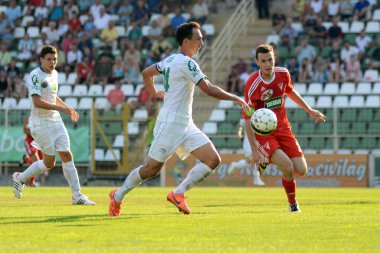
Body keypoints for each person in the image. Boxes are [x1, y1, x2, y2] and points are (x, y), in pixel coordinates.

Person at [108, 22, 249, 216]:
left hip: (186, 123)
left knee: (212, 159)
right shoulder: (186, 62)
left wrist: (155, 92)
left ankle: (178, 193)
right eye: (198, 39)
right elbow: (208, 88)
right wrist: (235, 98)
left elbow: (146, 73)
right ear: (186, 41)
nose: (202, 42)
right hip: (170, 124)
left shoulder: (169, 60)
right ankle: (118, 195)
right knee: (151, 169)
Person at [242, 44, 326, 212]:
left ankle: (269, 158)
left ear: (275, 59)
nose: (267, 64)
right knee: (287, 166)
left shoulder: (283, 74)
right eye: (263, 61)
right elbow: (247, 118)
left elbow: (290, 92)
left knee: (301, 170)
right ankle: (293, 204)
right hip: (264, 133)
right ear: (257, 62)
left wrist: (309, 110)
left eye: (270, 60)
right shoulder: (253, 84)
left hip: (283, 128)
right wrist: (254, 150)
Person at [12, 45, 95, 205]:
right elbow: (36, 102)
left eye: (55, 59)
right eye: (49, 59)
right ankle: (20, 178)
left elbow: (53, 97)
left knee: (67, 155)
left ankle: (77, 196)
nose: (52, 62)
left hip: (55, 120)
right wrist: (61, 108)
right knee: (49, 163)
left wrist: (66, 107)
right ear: (41, 59)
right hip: (40, 124)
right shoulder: (35, 75)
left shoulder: (55, 74)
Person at [227, 119, 265, 186]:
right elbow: (240, 125)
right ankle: (256, 179)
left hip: (257, 143)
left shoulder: (259, 116)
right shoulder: (248, 115)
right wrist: (239, 132)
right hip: (248, 143)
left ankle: (235, 165)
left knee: (250, 162)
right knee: (254, 161)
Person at [22, 115, 46, 187]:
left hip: (39, 142)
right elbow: (25, 130)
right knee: (36, 163)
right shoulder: (31, 117)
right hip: (30, 142)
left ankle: (26, 159)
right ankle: (30, 183)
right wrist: (35, 134)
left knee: (42, 166)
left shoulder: (45, 117)